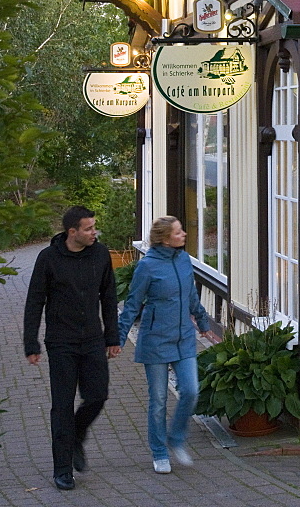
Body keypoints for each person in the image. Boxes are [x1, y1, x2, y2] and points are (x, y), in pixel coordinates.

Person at [23, 205, 120, 491]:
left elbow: (109, 297)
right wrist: (31, 341)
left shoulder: (100, 255)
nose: (94, 232)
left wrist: (112, 337)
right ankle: (62, 469)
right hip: (61, 343)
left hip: (93, 340)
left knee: (98, 395)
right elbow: (34, 301)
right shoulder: (49, 259)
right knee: (62, 406)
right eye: (88, 228)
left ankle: (77, 434)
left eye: (94, 227)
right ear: (72, 232)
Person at [118, 216, 211, 474]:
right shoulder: (147, 267)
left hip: (184, 337)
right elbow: (133, 303)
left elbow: (191, 295)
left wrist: (202, 320)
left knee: (191, 391)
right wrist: (118, 337)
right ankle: (159, 452)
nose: (184, 234)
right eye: (179, 231)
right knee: (158, 400)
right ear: (164, 238)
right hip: (155, 340)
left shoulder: (183, 259)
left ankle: (176, 439)